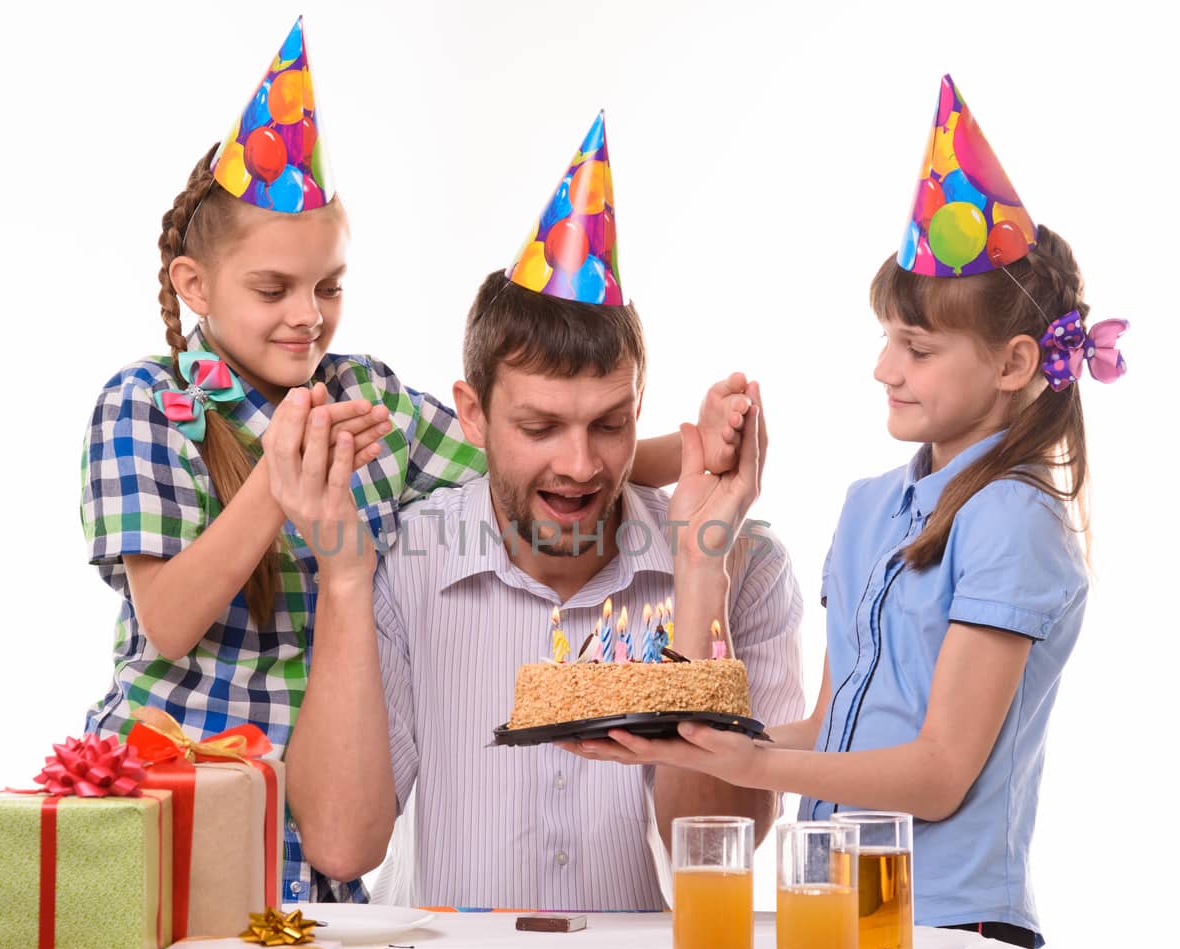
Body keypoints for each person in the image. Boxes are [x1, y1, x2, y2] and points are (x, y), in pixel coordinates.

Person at [79, 30, 753, 904]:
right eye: (273, 289)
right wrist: (280, 494)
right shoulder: (148, 405)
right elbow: (165, 620)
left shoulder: (367, 396)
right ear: (194, 286)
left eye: (328, 286)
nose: (307, 316)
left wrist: (689, 451)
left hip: (312, 811)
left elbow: (527, 457)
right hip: (173, 797)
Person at [570, 77, 1127, 947]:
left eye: (917, 348)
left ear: (1016, 362)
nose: (884, 368)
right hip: (831, 903)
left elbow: (941, 773)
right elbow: (837, 727)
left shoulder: (1013, 519)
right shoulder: (871, 508)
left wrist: (755, 760)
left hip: (950, 924)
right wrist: (693, 734)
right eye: (886, 339)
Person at [280, 114, 806, 909]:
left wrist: (700, 572)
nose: (581, 464)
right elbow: (341, 845)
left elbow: (710, 854)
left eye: (609, 423)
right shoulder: (407, 557)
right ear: (474, 415)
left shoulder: (746, 567)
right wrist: (345, 579)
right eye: (539, 427)